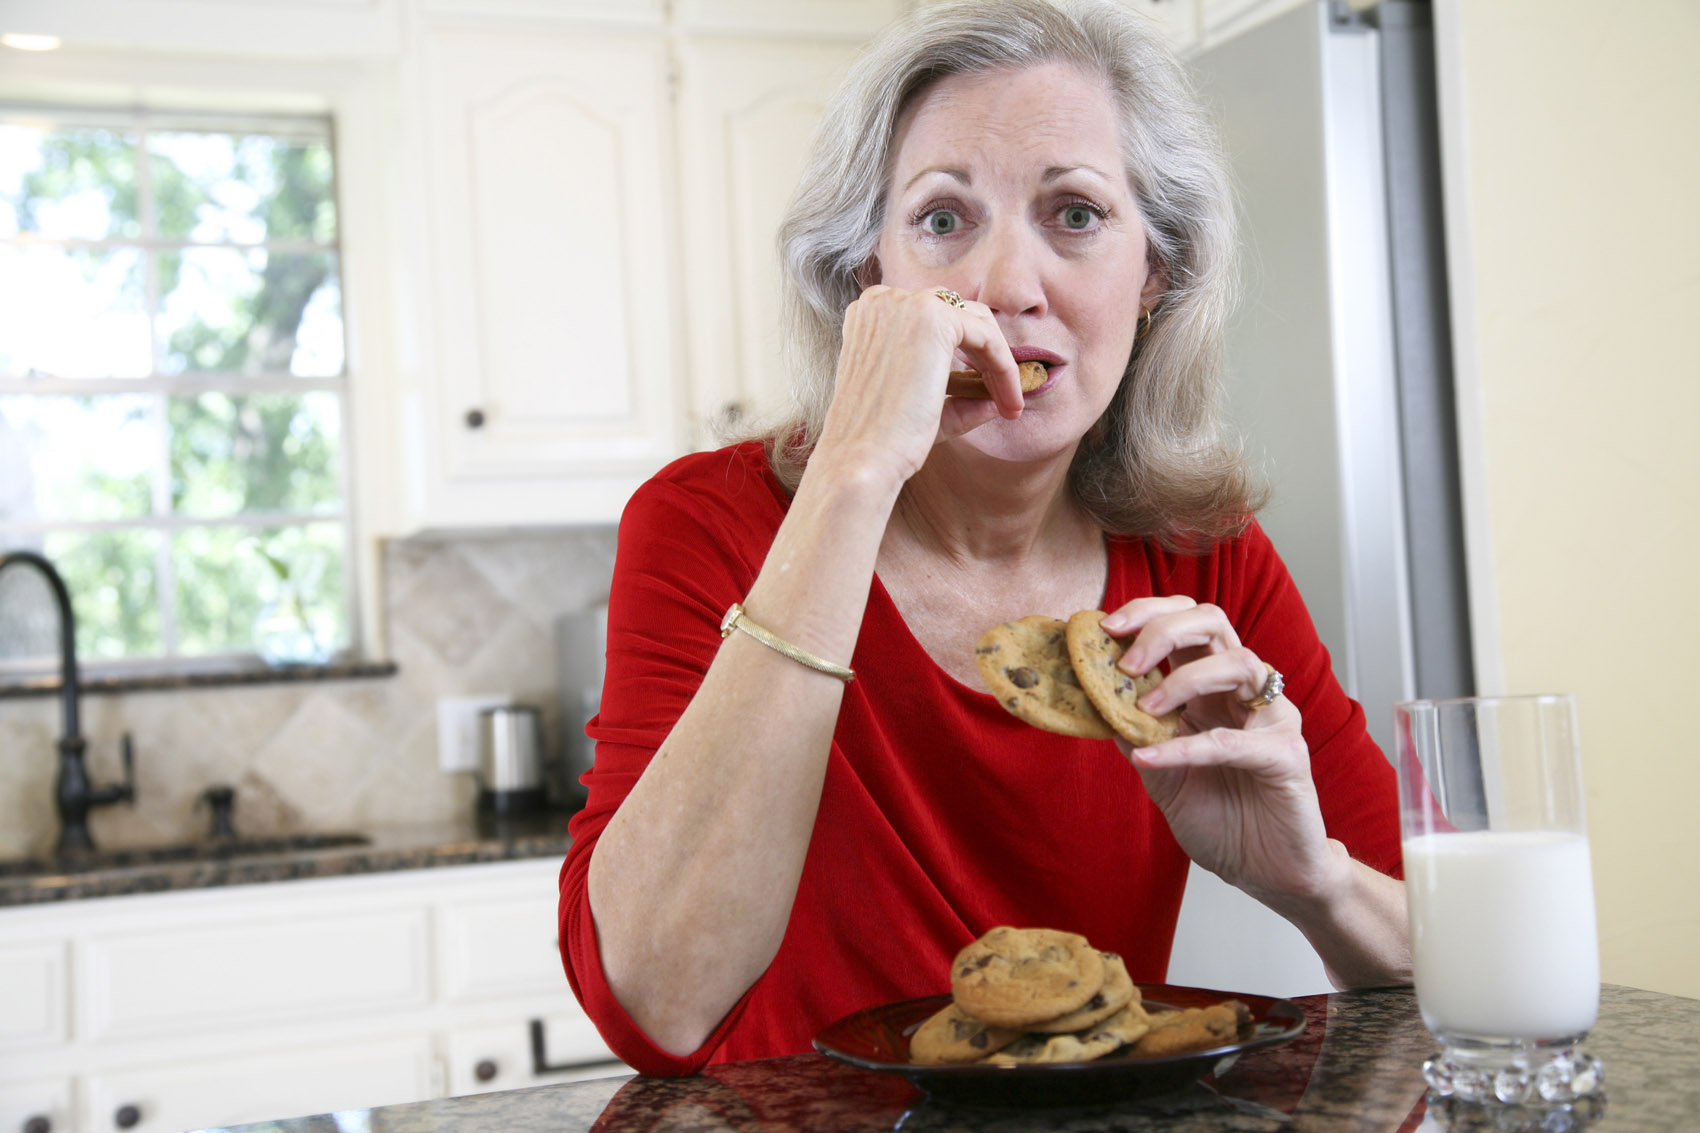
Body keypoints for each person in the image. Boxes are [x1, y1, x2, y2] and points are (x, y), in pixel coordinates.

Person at [558, 0, 1411, 1077]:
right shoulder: (705, 524)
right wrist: (852, 474)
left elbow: (1447, 956)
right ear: (868, 273)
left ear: (1154, 276)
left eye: (1074, 214)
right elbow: (653, 1003)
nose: (1005, 287)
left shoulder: (1202, 558)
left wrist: (1310, 877)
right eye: (942, 220)